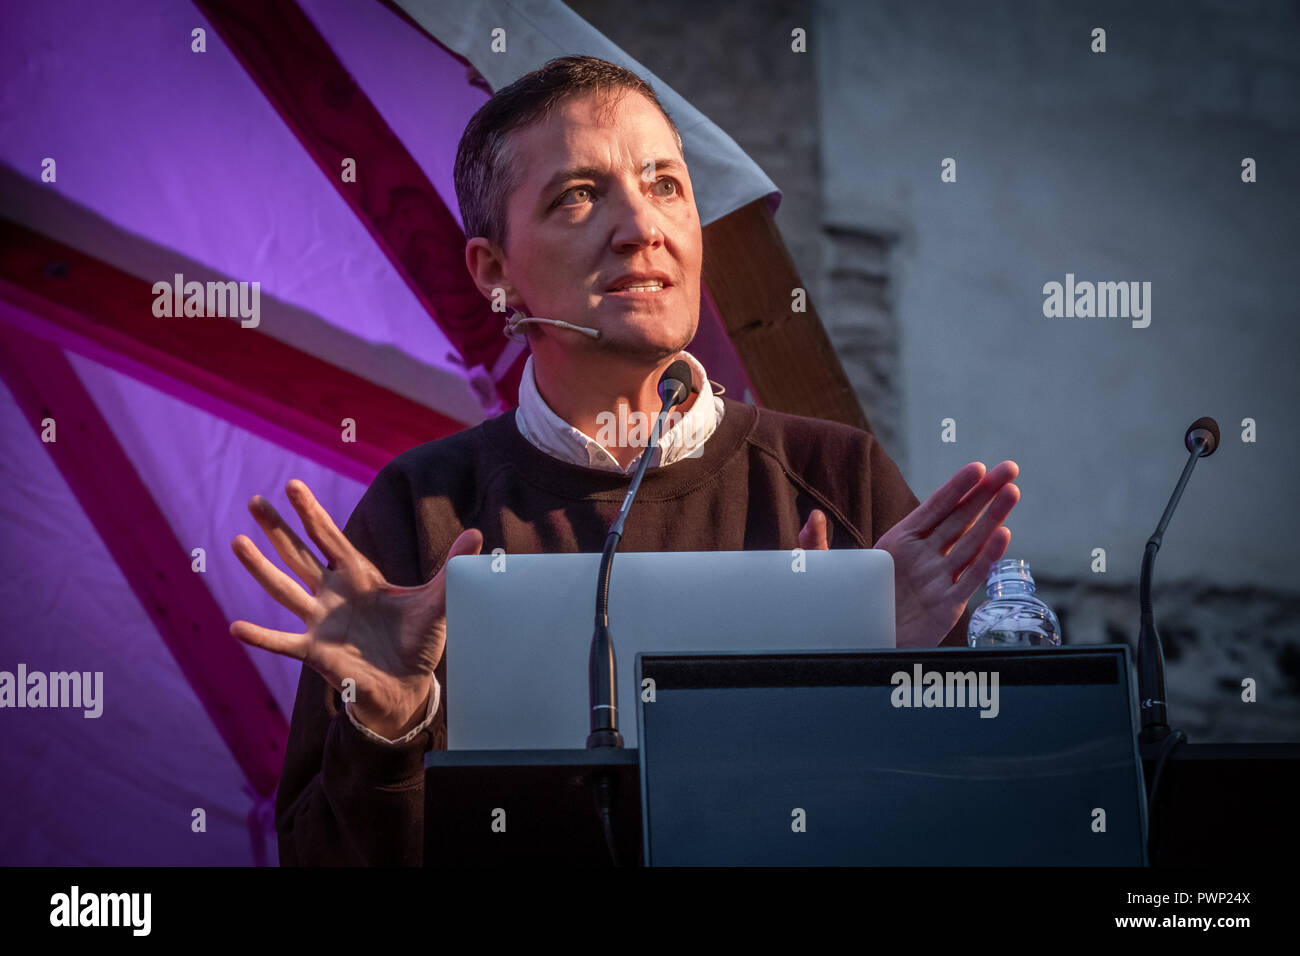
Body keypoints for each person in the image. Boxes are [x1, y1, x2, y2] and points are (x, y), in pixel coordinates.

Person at [229, 56, 1020, 866]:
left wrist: (867, 688)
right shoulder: (424, 510)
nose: (642, 227)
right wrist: (386, 728)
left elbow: (981, 812)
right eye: (578, 195)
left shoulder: (835, 476)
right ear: (495, 272)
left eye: (666, 185)